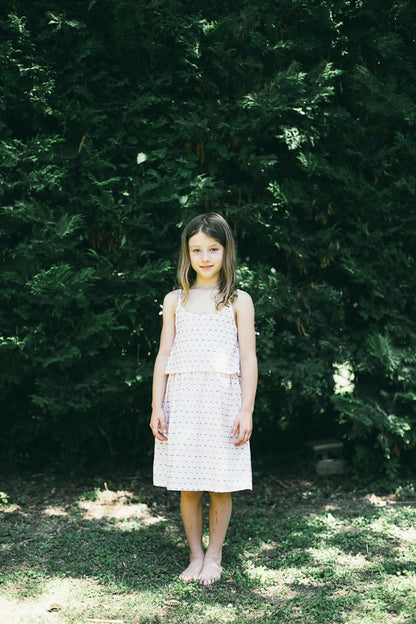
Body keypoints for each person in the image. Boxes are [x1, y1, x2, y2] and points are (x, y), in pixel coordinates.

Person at [149, 212, 257, 586]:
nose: (205, 257)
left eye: (213, 248)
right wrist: (156, 406)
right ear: (187, 254)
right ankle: (195, 555)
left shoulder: (238, 300)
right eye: (197, 250)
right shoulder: (175, 300)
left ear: (226, 252)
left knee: (219, 484)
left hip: (222, 403)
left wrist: (247, 409)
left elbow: (248, 358)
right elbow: (164, 355)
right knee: (189, 485)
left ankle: (215, 555)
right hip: (184, 403)